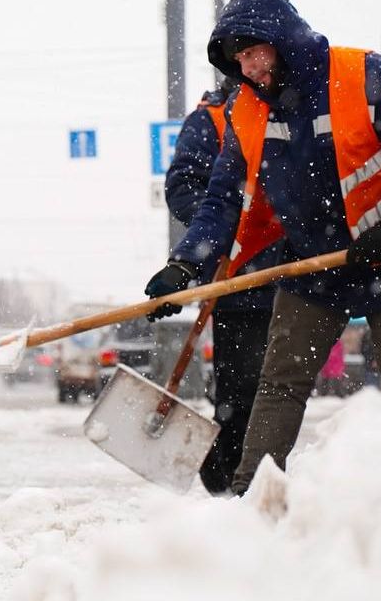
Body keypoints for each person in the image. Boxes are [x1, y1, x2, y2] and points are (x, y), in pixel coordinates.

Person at [143, 0, 381, 495]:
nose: (248, 68)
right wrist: (186, 265)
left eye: (253, 53)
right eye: (238, 61)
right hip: (315, 263)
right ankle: (253, 500)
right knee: (280, 382)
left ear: (282, 40)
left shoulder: (369, 78)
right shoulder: (246, 111)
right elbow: (223, 199)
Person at [163, 83, 283, 494]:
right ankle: (230, 481)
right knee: (244, 390)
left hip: (297, 275)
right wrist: (231, 228)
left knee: (282, 389)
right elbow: (184, 187)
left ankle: (261, 479)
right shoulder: (212, 119)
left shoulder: (296, 105)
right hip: (239, 281)